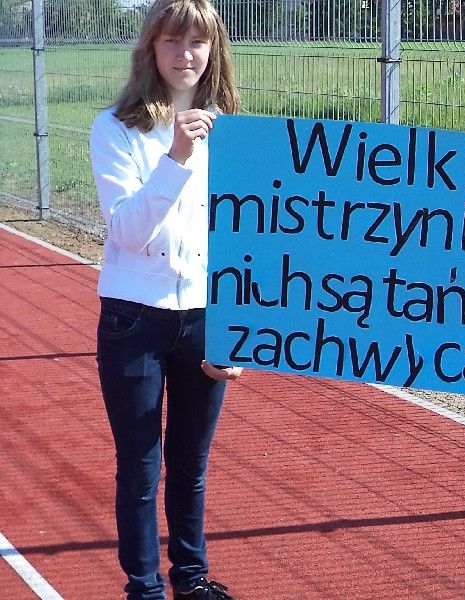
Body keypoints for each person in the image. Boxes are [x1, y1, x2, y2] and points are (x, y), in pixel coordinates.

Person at [89, 1, 242, 598]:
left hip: (205, 317)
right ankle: (144, 587)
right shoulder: (116, 128)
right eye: (172, 41)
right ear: (150, 48)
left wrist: (239, 328)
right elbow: (128, 231)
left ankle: (192, 578)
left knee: (190, 467)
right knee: (140, 468)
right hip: (134, 318)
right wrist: (176, 156)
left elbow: (251, 238)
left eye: (197, 42)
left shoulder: (235, 134)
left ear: (213, 49)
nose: (185, 55)